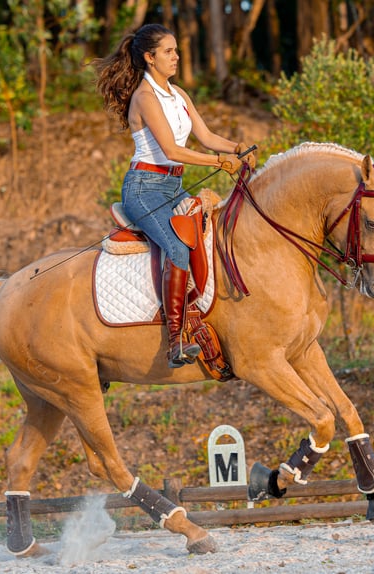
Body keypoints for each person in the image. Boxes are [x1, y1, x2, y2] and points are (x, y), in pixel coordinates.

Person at [93, 23, 257, 369]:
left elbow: (207, 135)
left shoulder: (178, 94)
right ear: (150, 58)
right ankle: (175, 340)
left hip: (172, 186)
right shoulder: (145, 97)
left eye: (176, 50)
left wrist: (237, 148)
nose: (176, 56)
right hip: (144, 189)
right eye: (168, 51)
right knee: (177, 246)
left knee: (209, 233)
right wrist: (218, 162)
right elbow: (171, 149)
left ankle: (203, 312)